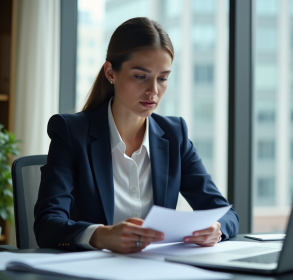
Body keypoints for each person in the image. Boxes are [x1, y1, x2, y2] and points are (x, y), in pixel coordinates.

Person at [34, 17, 239, 254]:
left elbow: (226, 213)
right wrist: (101, 235)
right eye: (140, 76)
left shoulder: (174, 135)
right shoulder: (71, 132)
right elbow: (47, 225)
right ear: (111, 72)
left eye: (162, 78)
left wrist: (216, 228)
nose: (153, 90)